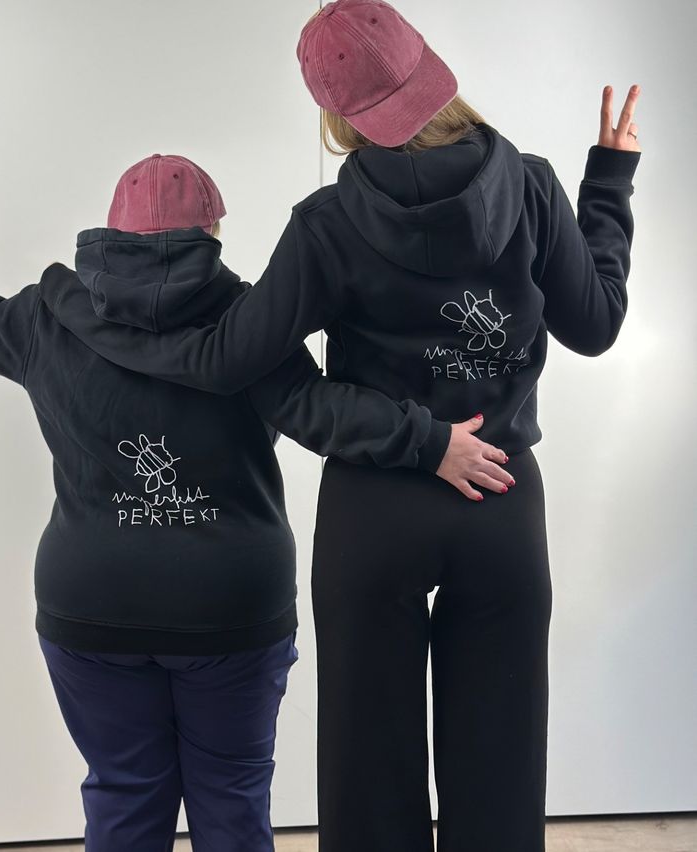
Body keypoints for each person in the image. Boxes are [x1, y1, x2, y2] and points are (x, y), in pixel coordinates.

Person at [38, 1, 643, 849]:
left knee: (366, 772)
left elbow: (224, 361)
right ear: (428, 70)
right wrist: (609, 182)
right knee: (501, 769)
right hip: (502, 498)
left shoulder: (324, 225)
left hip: (375, 509)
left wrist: (80, 310)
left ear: (335, 112)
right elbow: (597, 323)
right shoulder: (533, 184)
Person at [0, 149, 468, 852]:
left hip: (92, 609)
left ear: (108, 231)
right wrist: (430, 442)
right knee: (231, 798)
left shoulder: (44, 319)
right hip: (230, 608)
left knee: (124, 794)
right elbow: (321, 410)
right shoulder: (250, 322)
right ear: (214, 230)